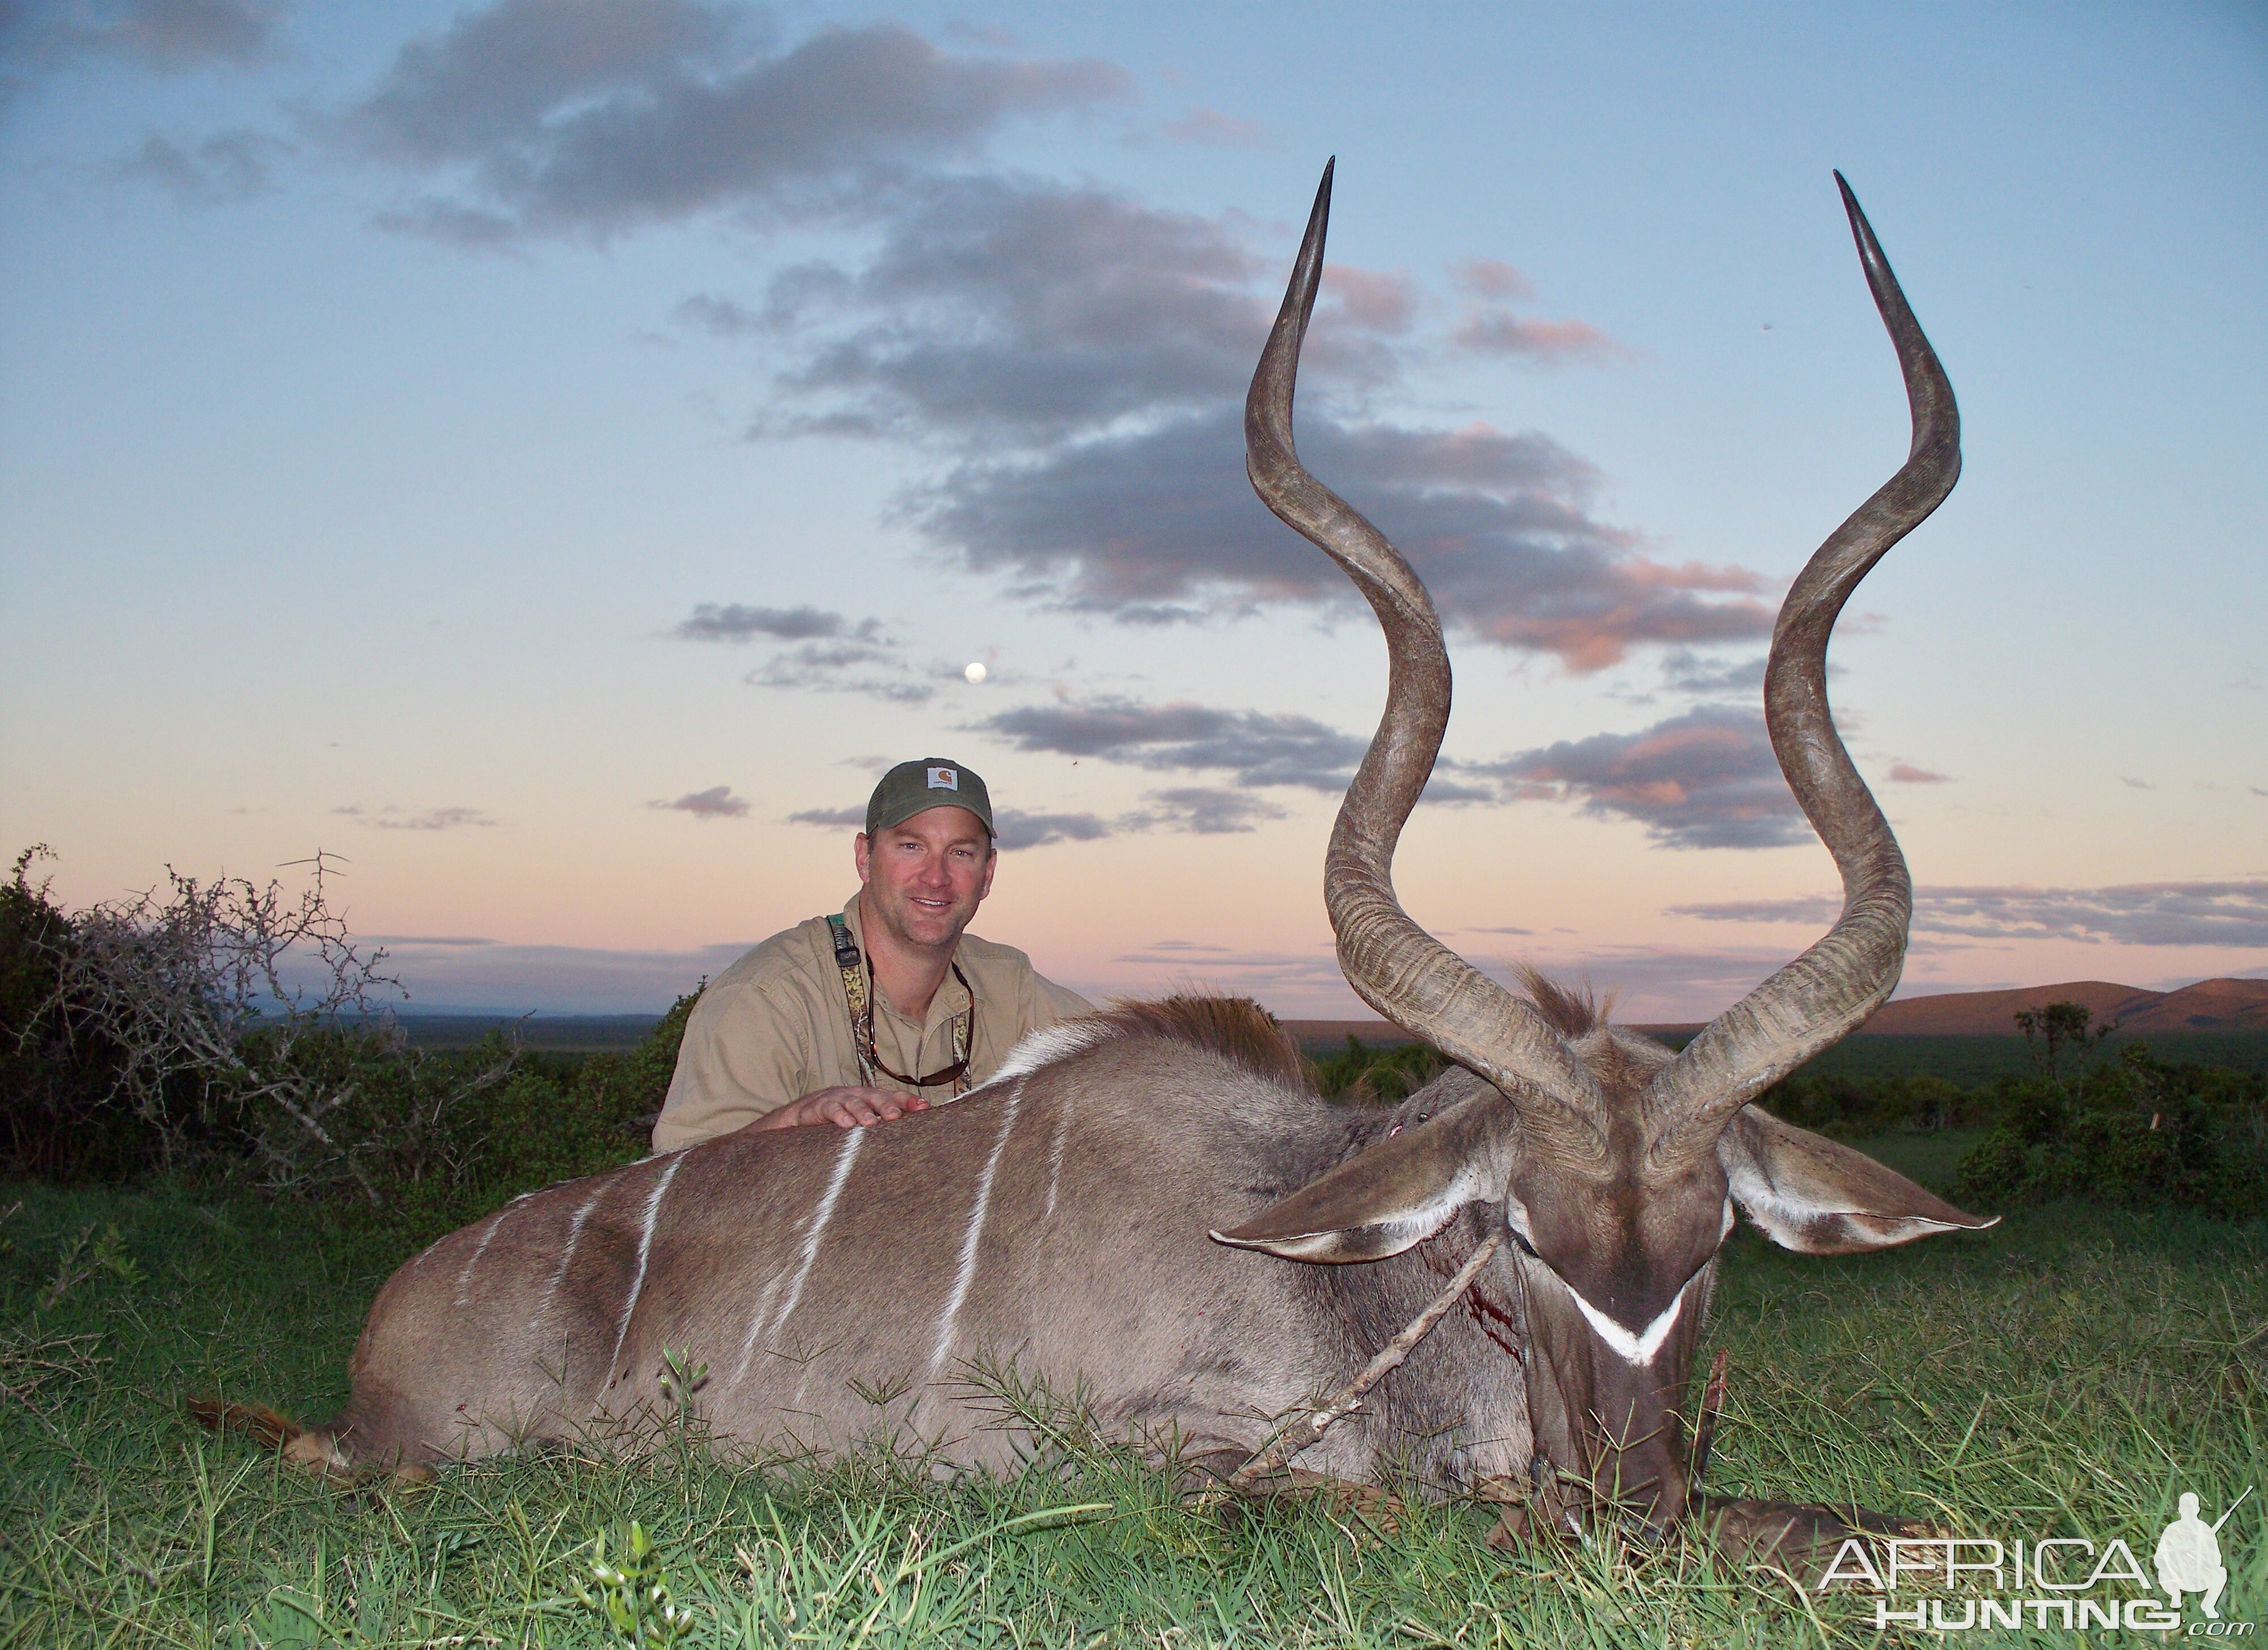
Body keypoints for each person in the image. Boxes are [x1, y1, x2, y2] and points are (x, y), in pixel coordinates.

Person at [651, 758, 1091, 1150]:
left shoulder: (1012, 986)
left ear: (988, 873)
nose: (936, 877)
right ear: (865, 857)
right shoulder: (766, 996)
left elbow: (1131, 1057)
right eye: (911, 846)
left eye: (960, 852)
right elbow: (674, 1187)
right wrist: (793, 1121)